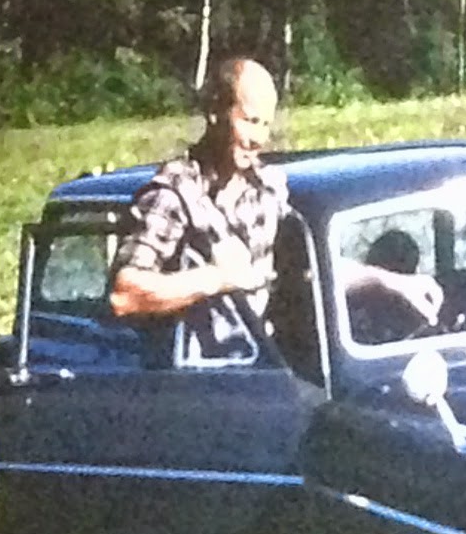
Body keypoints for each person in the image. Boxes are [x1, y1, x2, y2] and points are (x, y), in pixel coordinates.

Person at [109, 56, 442, 338]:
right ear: (215, 112)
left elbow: (311, 270)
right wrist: (217, 278)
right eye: (250, 121)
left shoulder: (267, 190)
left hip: (263, 364)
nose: (259, 139)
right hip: (194, 380)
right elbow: (125, 295)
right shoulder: (174, 194)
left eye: (266, 125)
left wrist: (390, 282)